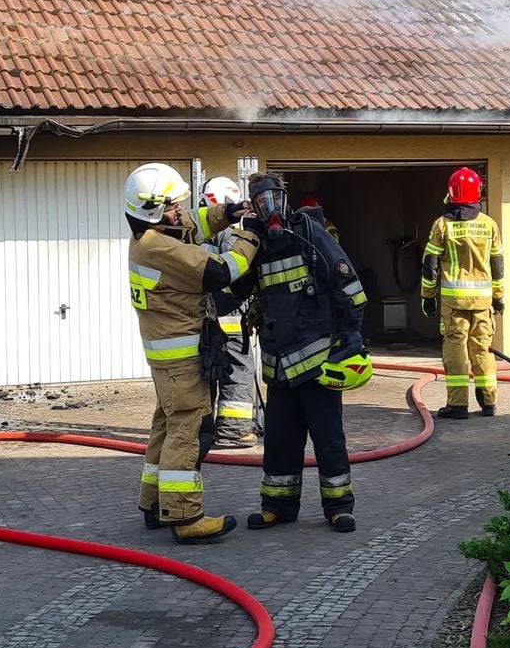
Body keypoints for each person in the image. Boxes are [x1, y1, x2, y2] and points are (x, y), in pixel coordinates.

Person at [124, 163, 258, 541]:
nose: (179, 210)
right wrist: (251, 235)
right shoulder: (162, 249)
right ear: (154, 209)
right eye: (172, 205)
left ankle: (154, 503)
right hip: (182, 358)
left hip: (166, 357)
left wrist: (227, 213)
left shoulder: (150, 234)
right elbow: (222, 271)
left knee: (166, 425)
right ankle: (184, 516)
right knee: (190, 429)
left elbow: (192, 223)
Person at [242, 173, 371, 534]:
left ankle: (339, 507)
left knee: (328, 438)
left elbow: (350, 287)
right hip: (279, 365)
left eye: (274, 198)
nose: (270, 208)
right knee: (279, 440)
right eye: (261, 202)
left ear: (285, 198)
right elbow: (232, 291)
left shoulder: (310, 233)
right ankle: (277, 506)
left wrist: (350, 339)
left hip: (318, 362)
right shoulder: (255, 244)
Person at [420, 167, 504, 418]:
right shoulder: (489, 225)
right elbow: (497, 266)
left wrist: (427, 297)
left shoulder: (442, 225)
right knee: (482, 349)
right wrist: (499, 297)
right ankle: (489, 402)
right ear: (478, 191)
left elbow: (430, 265)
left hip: (454, 302)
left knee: (455, 349)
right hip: (483, 301)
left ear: (451, 192)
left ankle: (457, 405)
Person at [200, 173, 262, 449]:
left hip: (203, 320)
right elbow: (238, 273)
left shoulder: (194, 234)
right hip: (230, 318)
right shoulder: (227, 236)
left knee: (205, 374)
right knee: (237, 370)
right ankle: (234, 432)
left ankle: (201, 430)